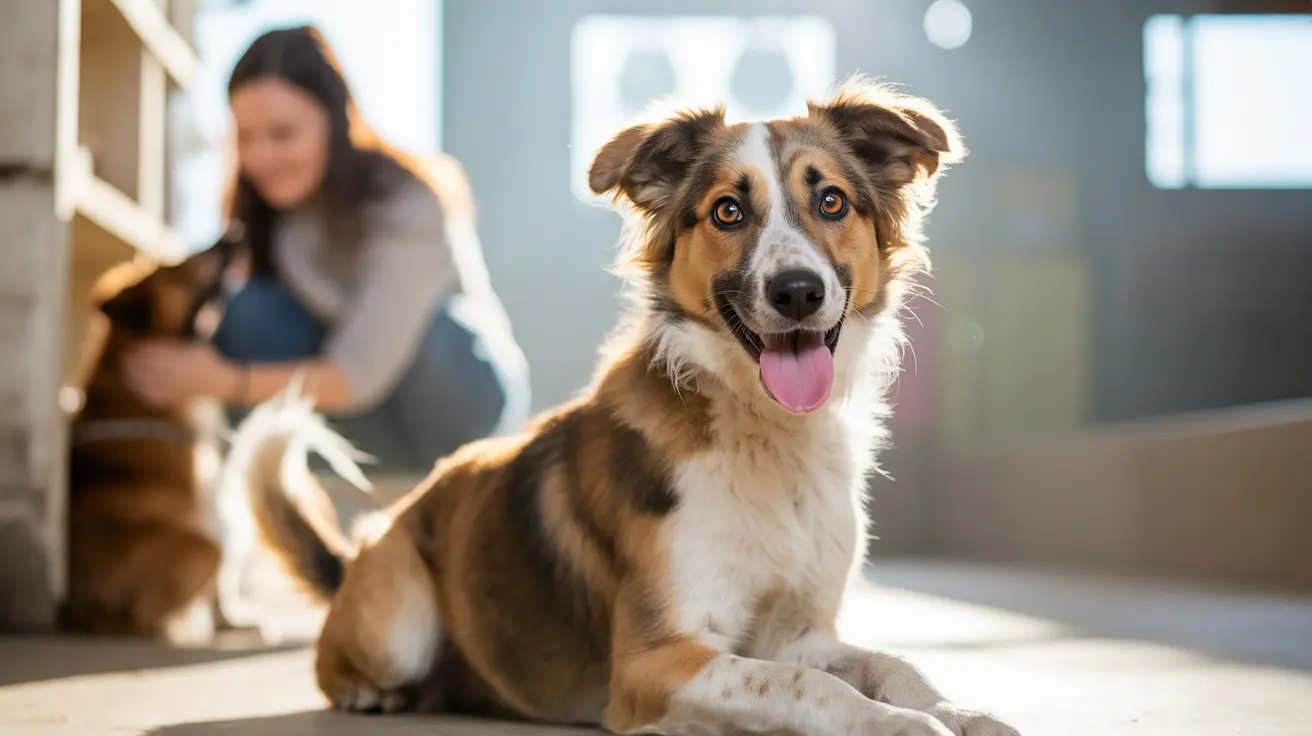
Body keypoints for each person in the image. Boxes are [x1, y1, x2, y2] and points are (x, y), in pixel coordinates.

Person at [120, 26, 530, 472]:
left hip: (450, 404)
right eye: (245, 137)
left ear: (334, 121)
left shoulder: (408, 202)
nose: (259, 158)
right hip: (362, 417)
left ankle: (456, 480)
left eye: (282, 133)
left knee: (441, 335)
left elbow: (359, 372)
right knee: (248, 312)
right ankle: (286, 479)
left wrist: (220, 380)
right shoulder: (267, 218)